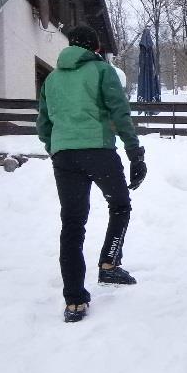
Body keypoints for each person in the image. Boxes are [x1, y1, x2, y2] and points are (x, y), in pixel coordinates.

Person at [36, 25, 147, 323]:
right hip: (98, 151)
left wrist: (56, 147)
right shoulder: (101, 71)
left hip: (64, 156)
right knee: (120, 205)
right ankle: (109, 264)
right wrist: (135, 153)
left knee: (72, 224)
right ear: (94, 47)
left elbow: (44, 124)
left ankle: (74, 301)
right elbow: (119, 112)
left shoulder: (51, 79)